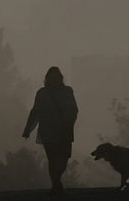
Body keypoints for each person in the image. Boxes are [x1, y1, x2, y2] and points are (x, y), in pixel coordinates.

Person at [23, 66, 79, 195]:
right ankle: (56, 184)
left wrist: (28, 129)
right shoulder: (42, 93)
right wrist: (28, 129)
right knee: (55, 159)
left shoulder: (67, 92)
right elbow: (35, 111)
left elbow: (73, 110)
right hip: (52, 132)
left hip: (61, 131)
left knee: (62, 159)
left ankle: (56, 181)